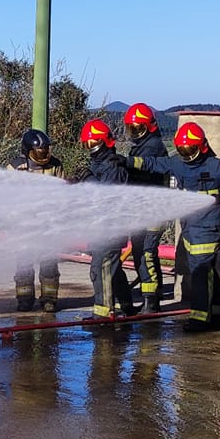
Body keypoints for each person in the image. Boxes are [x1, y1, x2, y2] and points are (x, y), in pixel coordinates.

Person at [151, 121, 220, 330]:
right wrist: (125, 160)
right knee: (208, 273)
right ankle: (214, 315)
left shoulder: (215, 166)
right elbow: (152, 164)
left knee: (199, 272)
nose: (187, 154)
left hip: (207, 228)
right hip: (190, 227)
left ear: (202, 147)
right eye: (182, 150)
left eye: (191, 149)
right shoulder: (177, 164)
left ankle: (199, 319)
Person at [79, 118, 139, 317]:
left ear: (105, 142)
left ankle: (103, 313)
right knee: (113, 269)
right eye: (87, 144)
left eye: (94, 143)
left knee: (100, 269)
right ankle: (125, 305)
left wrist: (88, 179)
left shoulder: (113, 167)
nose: (91, 148)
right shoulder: (100, 164)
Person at [10, 127, 65, 312]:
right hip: (24, 224)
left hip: (49, 225)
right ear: (28, 150)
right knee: (24, 264)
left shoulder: (55, 165)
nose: (44, 155)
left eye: (46, 150)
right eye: (39, 151)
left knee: (49, 264)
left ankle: (49, 299)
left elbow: (63, 193)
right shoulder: (16, 167)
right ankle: (24, 299)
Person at [120, 103, 170, 300]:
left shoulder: (152, 147)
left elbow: (138, 172)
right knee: (143, 250)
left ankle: (150, 300)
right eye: (131, 128)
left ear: (149, 127)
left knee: (146, 252)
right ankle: (153, 292)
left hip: (153, 209)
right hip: (144, 209)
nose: (134, 133)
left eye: (138, 128)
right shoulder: (142, 146)